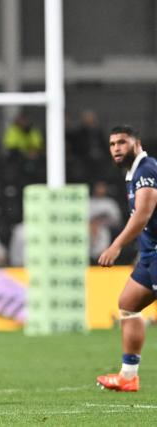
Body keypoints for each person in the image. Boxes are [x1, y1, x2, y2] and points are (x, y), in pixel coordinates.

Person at [97, 125, 157, 392]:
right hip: (149, 255)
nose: (117, 148)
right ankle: (129, 376)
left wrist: (116, 246)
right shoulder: (133, 174)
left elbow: (143, 213)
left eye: (122, 142)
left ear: (137, 143)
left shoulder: (147, 169)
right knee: (128, 304)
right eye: (112, 144)